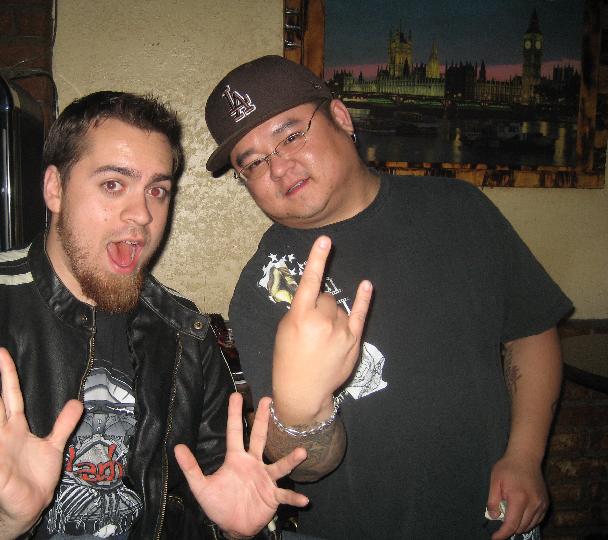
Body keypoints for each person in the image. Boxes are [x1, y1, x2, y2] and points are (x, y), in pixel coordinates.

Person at [0, 90, 323, 539]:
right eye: (113, 184)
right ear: (55, 189)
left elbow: (221, 492)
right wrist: (0, 521)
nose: (142, 214)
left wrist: (237, 532)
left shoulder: (186, 336)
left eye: (157, 190)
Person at [203, 55, 573, 539]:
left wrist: (525, 456)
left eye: (290, 136)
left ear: (340, 118)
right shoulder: (264, 287)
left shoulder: (460, 211)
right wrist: (301, 412)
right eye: (251, 163)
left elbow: (530, 331)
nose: (277, 168)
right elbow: (307, 468)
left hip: (495, 518)